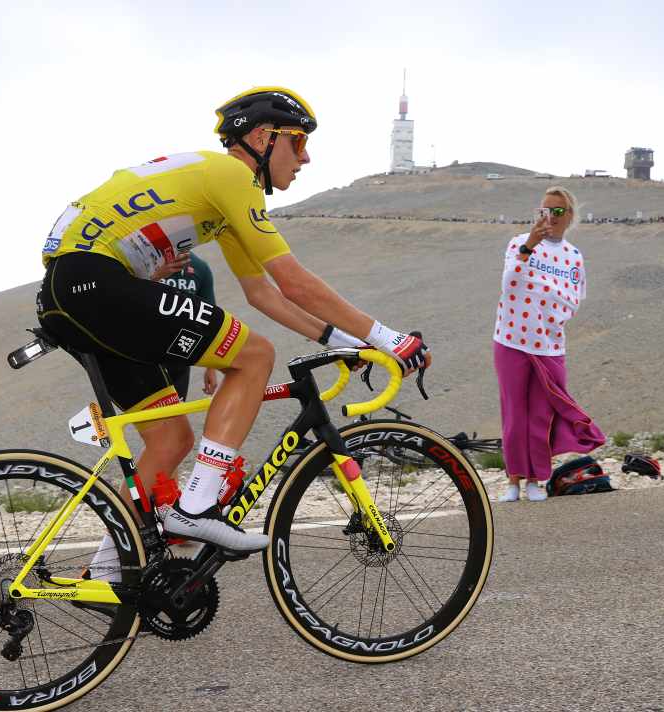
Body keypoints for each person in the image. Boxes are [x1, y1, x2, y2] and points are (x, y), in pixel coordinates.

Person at [36, 87, 430, 563]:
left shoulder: (220, 200)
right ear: (263, 137)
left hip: (67, 290)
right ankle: (198, 506)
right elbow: (293, 282)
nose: (305, 158)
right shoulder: (230, 175)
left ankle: (110, 571)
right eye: (298, 143)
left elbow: (261, 293)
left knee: (171, 438)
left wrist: (346, 342)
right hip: (94, 282)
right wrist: (390, 339)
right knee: (256, 356)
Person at [492, 187, 605, 502]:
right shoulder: (518, 243)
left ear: (569, 216)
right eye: (545, 210)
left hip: (550, 346)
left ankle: (535, 480)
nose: (550, 217)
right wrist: (530, 245)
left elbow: (575, 297)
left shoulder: (573, 257)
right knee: (514, 414)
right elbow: (509, 283)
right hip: (512, 339)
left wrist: (553, 314)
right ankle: (513, 481)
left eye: (557, 211)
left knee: (541, 416)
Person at [151, 251, 220, 399]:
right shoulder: (147, 262)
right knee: (151, 416)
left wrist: (211, 367)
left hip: (179, 354)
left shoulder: (200, 268)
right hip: (147, 354)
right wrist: (155, 276)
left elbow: (209, 318)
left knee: (176, 413)